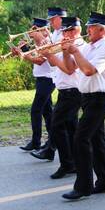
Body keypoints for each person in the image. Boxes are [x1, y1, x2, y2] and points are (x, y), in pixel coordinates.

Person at [61, 12, 105, 200]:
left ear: (102, 30)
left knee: (80, 139)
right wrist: (65, 51)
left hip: (99, 98)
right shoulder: (90, 47)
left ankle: (83, 186)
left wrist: (75, 51)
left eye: (92, 27)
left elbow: (88, 70)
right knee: (96, 140)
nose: (88, 30)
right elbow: (71, 69)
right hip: (87, 98)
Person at [39, 17, 84, 179]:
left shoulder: (80, 46)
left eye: (67, 30)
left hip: (73, 91)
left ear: (75, 30)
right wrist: (47, 53)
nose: (64, 33)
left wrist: (51, 56)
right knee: (71, 129)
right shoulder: (66, 45)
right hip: (65, 90)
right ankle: (74, 163)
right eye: (64, 30)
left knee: (56, 126)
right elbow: (54, 66)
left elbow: (69, 70)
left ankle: (66, 164)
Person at [30, 7, 67, 160]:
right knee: (51, 115)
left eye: (52, 19)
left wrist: (39, 40)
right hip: (57, 81)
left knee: (40, 112)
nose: (50, 22)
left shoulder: (59, 35)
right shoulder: (56, 34)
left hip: (52, 79)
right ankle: (50, 148)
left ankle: (44, 145)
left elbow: (42, 59)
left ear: (60, 18)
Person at [19, 18, 55, 152]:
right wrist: (24, 49)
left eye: (35, 30)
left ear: (43, 29)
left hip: (47, 79)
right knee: (47, 112)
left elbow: (39, 61)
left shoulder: (48, 41)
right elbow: (34, 55)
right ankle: (52, 141)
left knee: (36, 110)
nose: (32, 33)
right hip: (41, 79)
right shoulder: (38, 41)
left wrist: (24, 55)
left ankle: (36, 142)